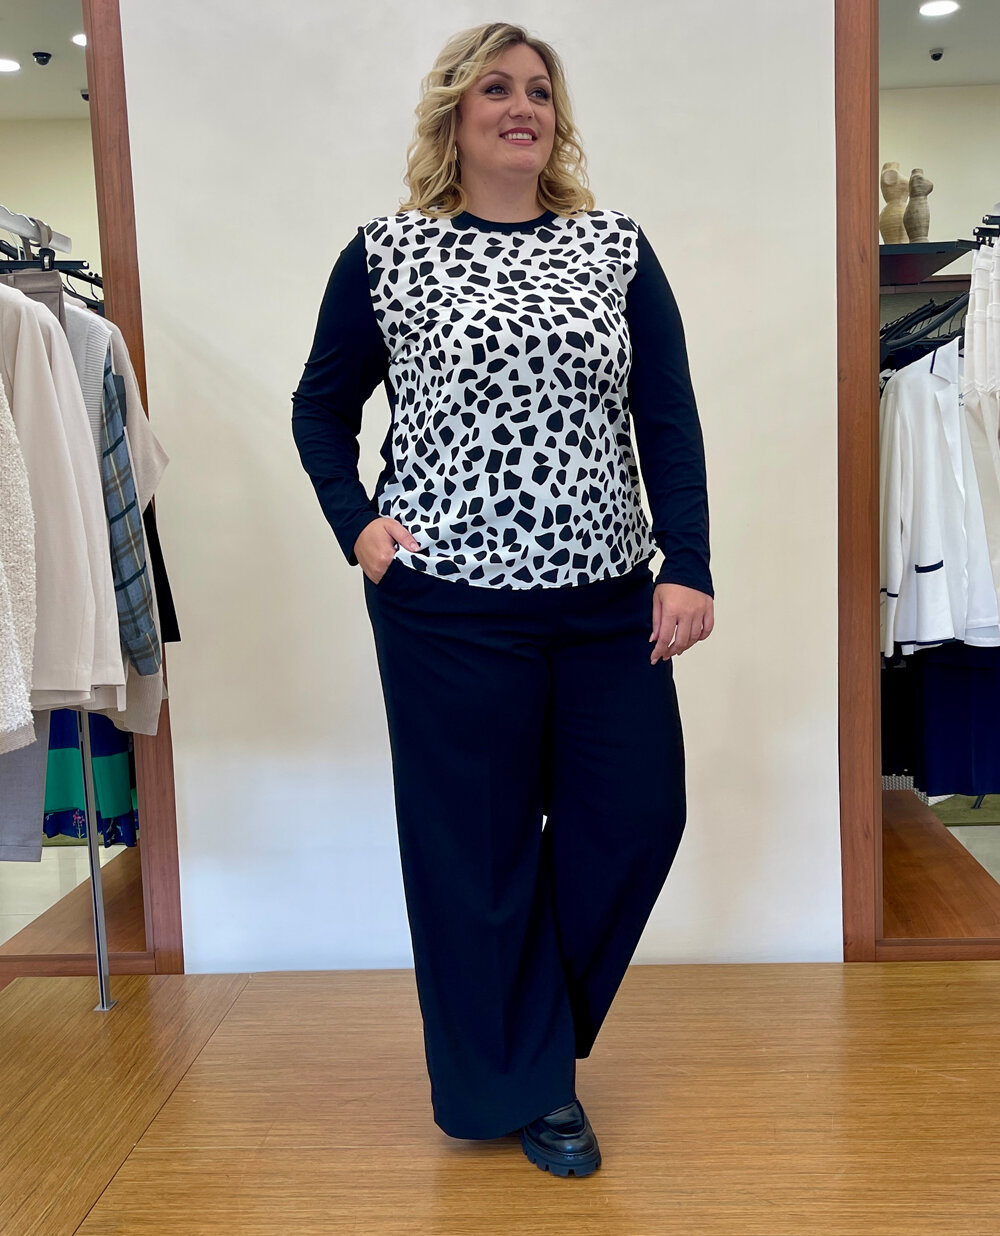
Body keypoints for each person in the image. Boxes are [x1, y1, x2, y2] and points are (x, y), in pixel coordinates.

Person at [291, 20, 714, 1178]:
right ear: (454, 113)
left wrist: (686, 562)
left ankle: (518, 1038)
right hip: (447, 608)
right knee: (474, 851)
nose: (520, 106)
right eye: (495, 88)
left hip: (604, 601)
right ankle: (530, 1085)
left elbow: (665, 415)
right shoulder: (387, 252)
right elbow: (321, 406)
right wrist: (358, 528)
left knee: (637, 816)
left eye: (538, 90)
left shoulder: (613, 248)